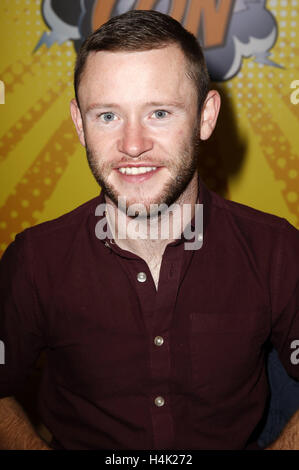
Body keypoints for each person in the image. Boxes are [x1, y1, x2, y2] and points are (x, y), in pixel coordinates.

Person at [0, 10, 298, 451]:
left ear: (205, 116)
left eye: (159, 112)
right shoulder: (34, 258)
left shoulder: (275, 248)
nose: (133, 144)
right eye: (107, 116)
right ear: (80, 124)